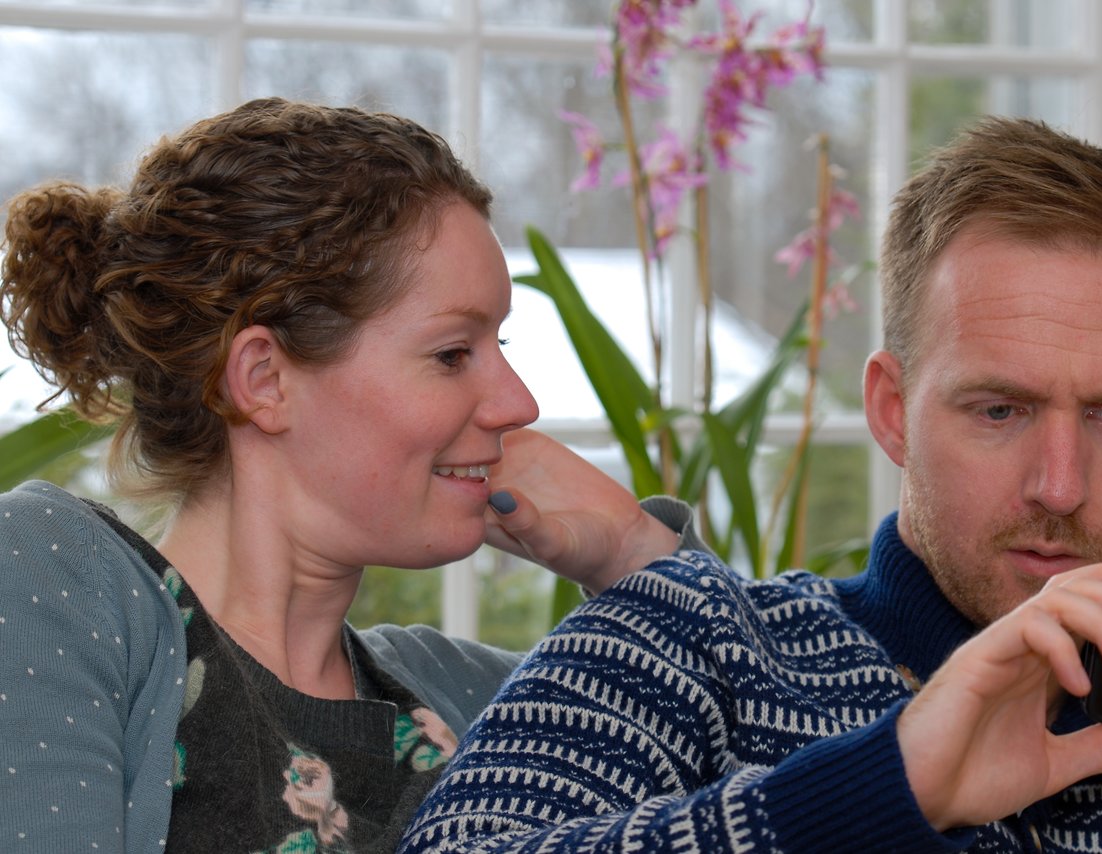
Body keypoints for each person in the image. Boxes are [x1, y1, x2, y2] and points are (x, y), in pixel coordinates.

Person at [397, 116, 1102, 852]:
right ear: (892, 412)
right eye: (999, 411)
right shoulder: (695, 641)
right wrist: (885, 787)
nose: (1060, 486)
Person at [0, 97, 675, 853]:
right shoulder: (51, 583)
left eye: (501, 345)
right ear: (265, 379)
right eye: (453, 353)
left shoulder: (460, 691)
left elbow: (771, 755)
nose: (520, 403)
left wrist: (635, 557)